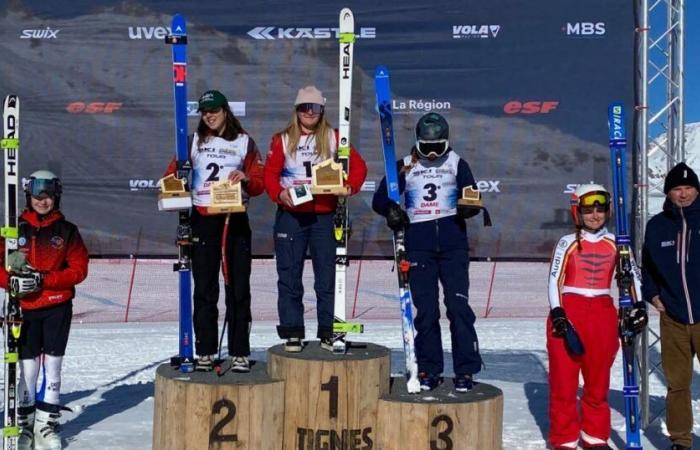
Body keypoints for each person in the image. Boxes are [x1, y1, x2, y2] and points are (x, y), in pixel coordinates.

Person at [372, 112, 485, 393]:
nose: (433, 154)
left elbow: (471, 195)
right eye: (427, 148)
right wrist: (391, 210)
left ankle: (465, 369)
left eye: (438, 148)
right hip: (418, 245)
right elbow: (379, 197)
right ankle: (428, 368)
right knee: (427, 312)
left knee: (458, 308)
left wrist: (469, 208)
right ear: (417, 143)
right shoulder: (405, 165)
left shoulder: (458, 163)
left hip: (452, 245)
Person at [164, 90, 264, 372]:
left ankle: (240, 351)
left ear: (225, 111)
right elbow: (170, 176)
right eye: (205, 111)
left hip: (234, 219)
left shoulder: (244, 141)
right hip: (204, 219)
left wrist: (245, 179)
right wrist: (175, 185)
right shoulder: (192, 141)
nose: (209, 116)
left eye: (214, 110)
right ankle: (205, 350)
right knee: (205, 288)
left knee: (238, 287)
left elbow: (259, 182)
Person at [263, 85, 367, 352]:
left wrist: (350, 187)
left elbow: (359, 167)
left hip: (324, 214)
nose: (309, 112)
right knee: (289, 274)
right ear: (296, 111)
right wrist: (279, 194)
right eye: (304, 108)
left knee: (327, 277)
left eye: (315, 108)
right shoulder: (283, 139)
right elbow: (269, 176)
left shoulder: (334, 137)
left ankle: (328, 331)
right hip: (292, 215)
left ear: (322, 110)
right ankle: (292, 331)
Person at [546, 183, 647, 450]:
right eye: (588, 209)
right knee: (564, 384)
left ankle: (594, 436)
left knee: (597, 382)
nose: (594, 215)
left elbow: (634, 275)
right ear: (577, 211)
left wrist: (639, 306)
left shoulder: (617, 242)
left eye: (600, 209)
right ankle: (564, 439)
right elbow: (555, 279)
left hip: (602, 313)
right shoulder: (567, 242)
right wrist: (558, 313)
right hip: (569, 311)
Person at [0, 170, 89, 450]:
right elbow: (1, 267)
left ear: (56, 196)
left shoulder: (67, 231)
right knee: (27, 370)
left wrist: (45, 279)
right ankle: (25, 424)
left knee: (53, 367)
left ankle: (46, 424)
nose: (43, 200)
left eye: (48, 195)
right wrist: (11, 280)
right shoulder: (15, 229)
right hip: (24, 308)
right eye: (38, 194)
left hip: (56, 306)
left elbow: (79, 269)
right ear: (28, 195)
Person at [642, 162, 700, 450]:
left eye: (689, 188)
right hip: (673, 318)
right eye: (677, 188)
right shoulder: (657, 226)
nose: (683, 194)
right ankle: (681, 440)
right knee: (677, 384)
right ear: (668, 192)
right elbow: (648, 269)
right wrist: (652, 295)